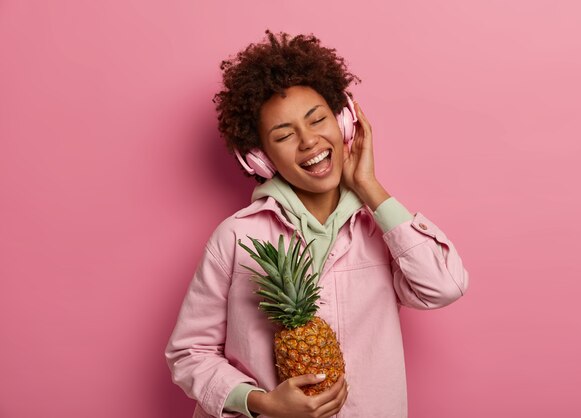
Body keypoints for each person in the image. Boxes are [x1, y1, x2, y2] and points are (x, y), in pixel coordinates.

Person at [165, 30, 469, 418]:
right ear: (260, 158)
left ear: (344, 122)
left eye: (317, 120)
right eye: (284, 135)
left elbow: (443, 286)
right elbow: (189, 352)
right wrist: (262, 403)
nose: (308, 141)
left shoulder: (382, 228)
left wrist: (369, 187)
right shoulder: (238, 237)